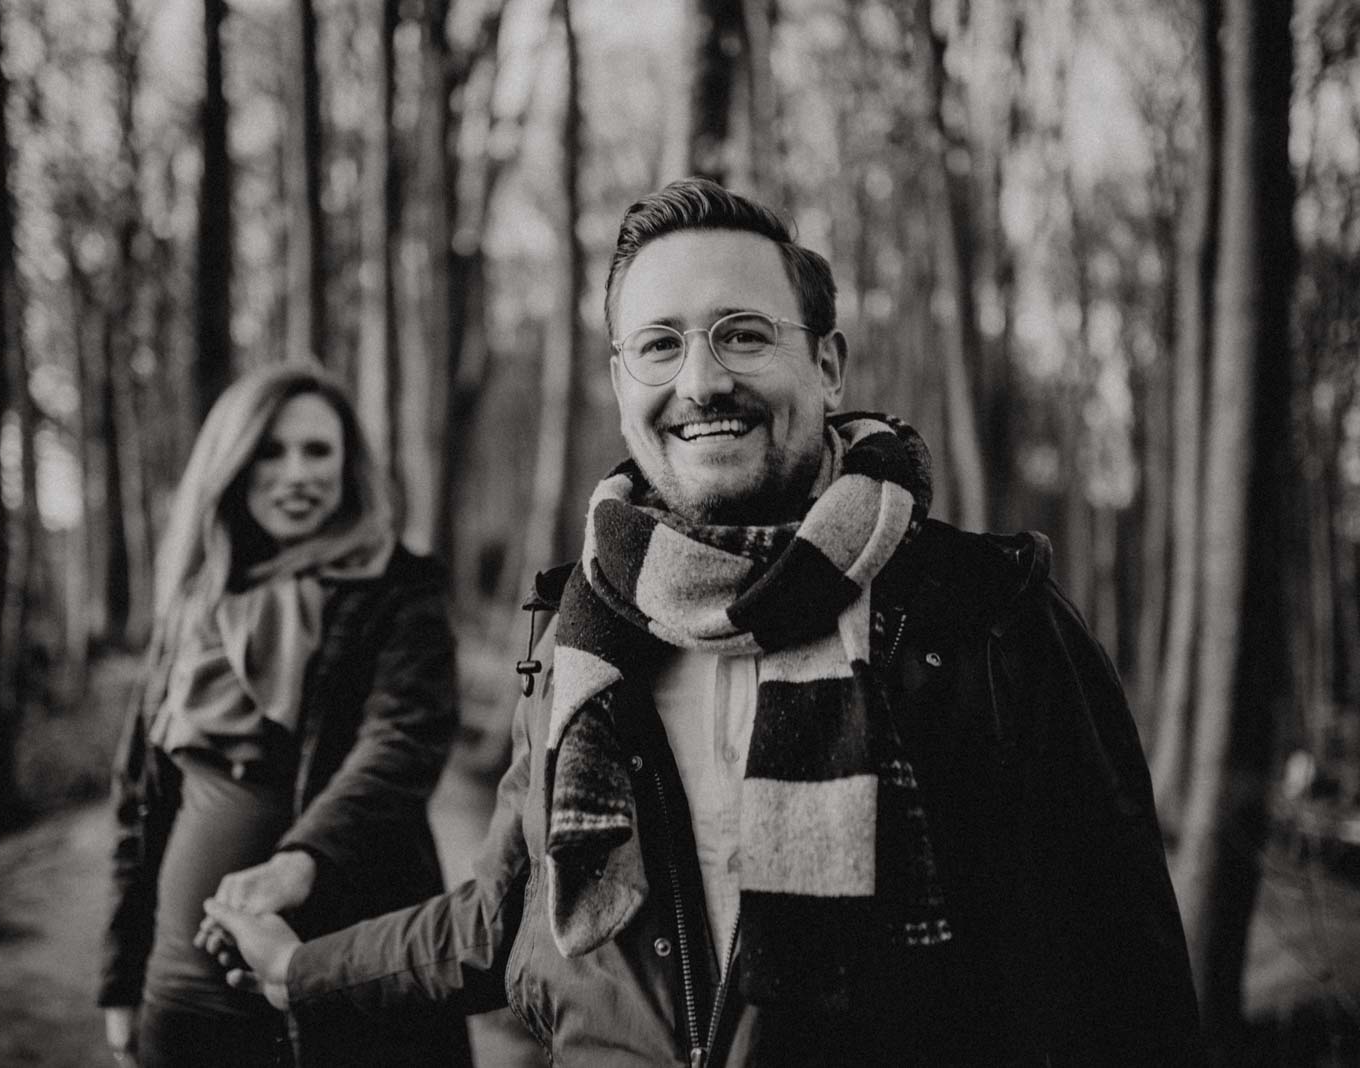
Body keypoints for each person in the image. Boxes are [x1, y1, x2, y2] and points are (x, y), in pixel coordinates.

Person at [199, 179, 1204, 1065]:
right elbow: (507, 914)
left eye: (743, 333)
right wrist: (303, 973)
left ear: (828, 364)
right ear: (619, 383)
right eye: (660, 344)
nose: (701, 379)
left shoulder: (983, 617)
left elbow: (1121, 989)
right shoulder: (573, 634)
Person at [98, 363, 473, 1067]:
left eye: (317, 450)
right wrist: (119, 979)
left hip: (345, 966)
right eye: (271, 451)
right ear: (233, 464)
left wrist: (300, 863)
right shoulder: (194, 602)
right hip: (182, 990)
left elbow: (403, 738)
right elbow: (137, 797)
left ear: (348, 464)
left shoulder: (399, 588)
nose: (296, 473)